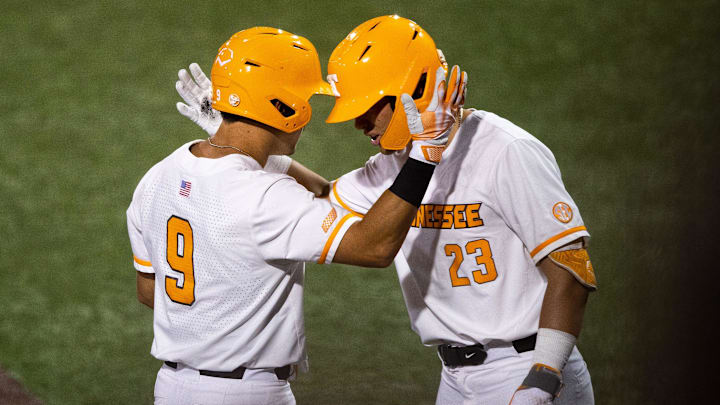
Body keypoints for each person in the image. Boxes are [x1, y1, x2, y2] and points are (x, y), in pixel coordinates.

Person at [176, 16, 596, 405]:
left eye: (366, 108)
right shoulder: (395, 167)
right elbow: (321, 201)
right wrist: (235, 139)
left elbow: (571, 268)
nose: (360, 124)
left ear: (411, 90)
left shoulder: (507, 151)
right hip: (455, 378)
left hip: (528, 366)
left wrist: (544, 375)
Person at [129, 26, 461, 405]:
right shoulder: (267, 196)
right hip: (247, 394)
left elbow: (149, 291)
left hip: (171, 389)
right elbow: (374, 247)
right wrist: (425, 155)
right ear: (285, 107)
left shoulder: (156, 178)